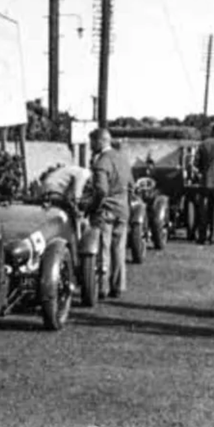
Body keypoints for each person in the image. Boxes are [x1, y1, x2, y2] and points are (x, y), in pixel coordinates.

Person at [89, 128, 133, 299]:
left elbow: (101, 190)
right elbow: (130, 185)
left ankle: (102, 287)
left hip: (106, 210)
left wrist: (92, 207)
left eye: (92, 142)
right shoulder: (123, 158)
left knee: (103, 248)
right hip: (123, 210)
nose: (91, 146)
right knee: (119, 249)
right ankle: (118, 286)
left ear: (100, 141)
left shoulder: (101, 162)